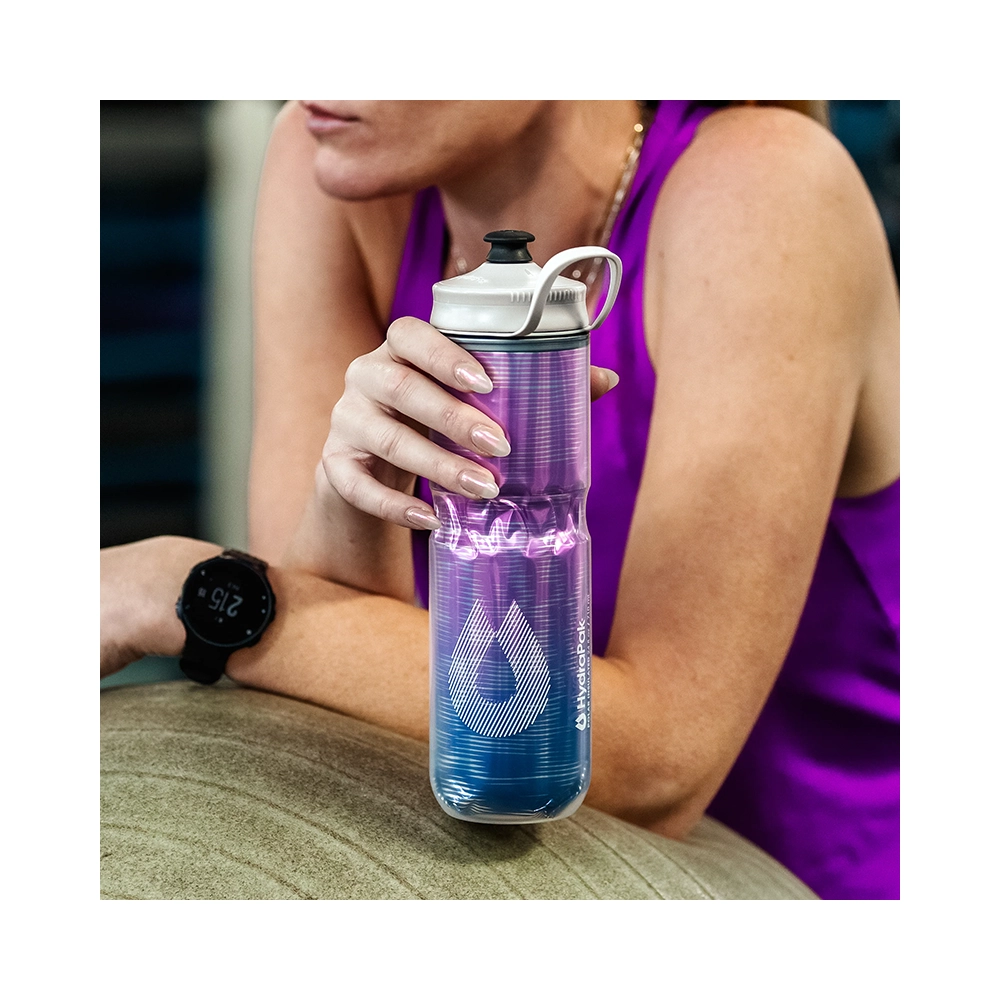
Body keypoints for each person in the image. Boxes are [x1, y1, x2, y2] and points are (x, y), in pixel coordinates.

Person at [100, 100, 900, 900]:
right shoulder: (332, 157)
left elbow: (661, 768)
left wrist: (177, 592)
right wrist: (353, 501)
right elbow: (317, 685)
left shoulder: (767, 188)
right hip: (485, 845)